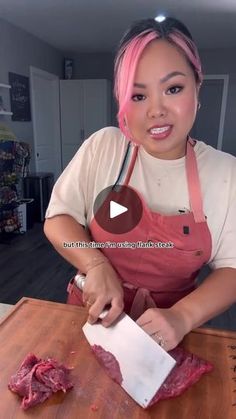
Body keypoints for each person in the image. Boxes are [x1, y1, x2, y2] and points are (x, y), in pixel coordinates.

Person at [44, 17, 236, 351]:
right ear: (122, 100)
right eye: (137, 95)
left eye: (173, 89)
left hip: (165, 334)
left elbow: (232, 268)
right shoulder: (104, 147)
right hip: (90, 317)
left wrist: (183, 316)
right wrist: (94, 263)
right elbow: (58, 219)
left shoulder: (225, 173)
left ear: (197, 86)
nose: (156, 110)